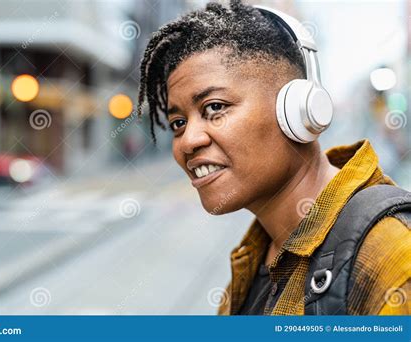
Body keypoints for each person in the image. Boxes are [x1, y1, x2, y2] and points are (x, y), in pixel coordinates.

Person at [136, 0, 410, 315]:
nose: (188, 141)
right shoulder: (256, 256)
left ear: (299, 111)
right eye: (178, 123)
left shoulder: (394, 256)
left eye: (214, 107)